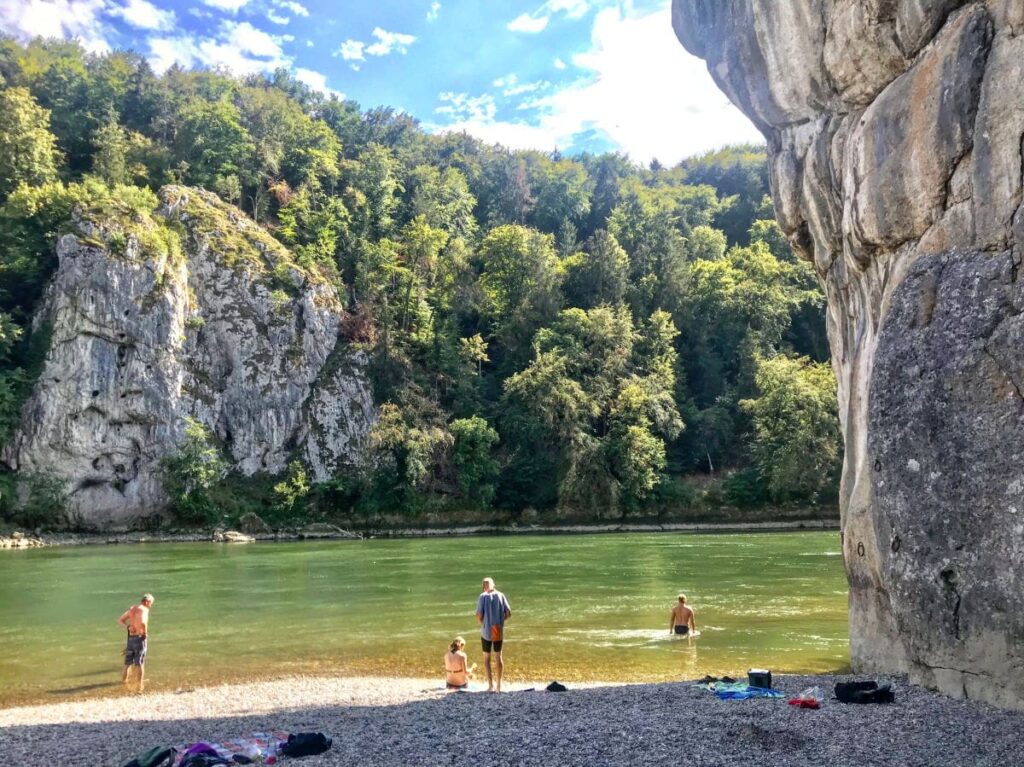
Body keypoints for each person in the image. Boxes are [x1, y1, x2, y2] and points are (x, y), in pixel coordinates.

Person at [475, 577, 511, 693]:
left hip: (486, 630)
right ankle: (499, 686)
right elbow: (508, 613)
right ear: (493, 585)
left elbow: (479, 615)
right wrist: (500, 621)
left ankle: (490, 685)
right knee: (498, 657)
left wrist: (483, 623)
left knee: (486, 658)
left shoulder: (482, 596)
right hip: (497, 629)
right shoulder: (501, 595)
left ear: (484, 586)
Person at [118, 593, 154, 692]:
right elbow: (143, 622)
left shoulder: (132, 609)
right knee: (140, 663)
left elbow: (120, 620)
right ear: (146, 602)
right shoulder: (144, 610)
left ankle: (123, 682)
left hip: (130, 639)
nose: (151, 605)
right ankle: (140, 685)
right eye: (151, 603)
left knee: (127, 663)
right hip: (139, 638)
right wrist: (145, 633)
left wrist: (128, 627)